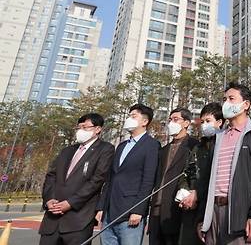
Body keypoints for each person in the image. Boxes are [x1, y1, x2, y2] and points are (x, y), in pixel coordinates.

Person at [197, 83, 251, 245]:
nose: (226, 103)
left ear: (246, 104)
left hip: (240, 214)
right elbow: (206, 180)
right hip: (213, 214)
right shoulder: (218, 137)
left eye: (231, 99)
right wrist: (202, 218)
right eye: (224, 99)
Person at [39, 113, 115, 245]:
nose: (81, 131)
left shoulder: (105, 149)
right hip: (52, 219)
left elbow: (97, 180)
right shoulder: (67, 151)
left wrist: (70, 203)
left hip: (79, 219)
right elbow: (51, 175)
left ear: (97, 129)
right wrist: (49, 199)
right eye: (79, 127)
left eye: (85, 127)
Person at [97, 103, 160, 245]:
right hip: (109, 212)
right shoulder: (121, 145)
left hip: (130, 213)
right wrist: (101, 207)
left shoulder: (151, 145)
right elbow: (110, 179)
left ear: (145, 121)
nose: (129, 119)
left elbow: (148, 181)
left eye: (133, 116)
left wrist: (138, 210)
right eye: (128, 115)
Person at [149, 108, 199, 245]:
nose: (171, 123)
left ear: (186, 123)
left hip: (176, 211)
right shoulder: (163, 150)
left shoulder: (194, 146)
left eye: (176, 119)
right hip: (156, 211)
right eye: (170, 120)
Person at [178, 102, 224, 245]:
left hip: (209, 208)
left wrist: (198, 193)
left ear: (220, 122)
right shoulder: (198, 147)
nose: (204, 125)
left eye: (208, 121)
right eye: (202, 121)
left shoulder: (223, 145)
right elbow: (186, 172)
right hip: (190, 209)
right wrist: (184, 193)